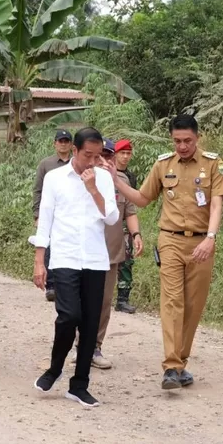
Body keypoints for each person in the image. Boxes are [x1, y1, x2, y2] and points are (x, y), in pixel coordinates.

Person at [108, 114, 223, 389]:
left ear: (197, 138)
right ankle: (172, 367)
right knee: (172, 302)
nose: (182, 146)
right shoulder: (163, 165)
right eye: (177, 141)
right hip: (170, 241)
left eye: (187, 141)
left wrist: (211, 238)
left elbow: (216, 204)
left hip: (202, 243)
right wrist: (116, 182)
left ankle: (181, 362)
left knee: (193, 306)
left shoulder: (213, 164)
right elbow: (143, 198)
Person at [32, 128, 119, 408]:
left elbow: (111, 217)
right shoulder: (55, 178)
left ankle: (79, 385)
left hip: (94, 259)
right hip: (65, 258)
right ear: (75, 151)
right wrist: (38, 260)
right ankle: (55, 368)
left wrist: (93, 188)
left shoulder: (104, 178)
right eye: (87, 155)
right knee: (69, 316)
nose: (93, 161)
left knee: (90, 324)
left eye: (97, 156)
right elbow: (45, 219)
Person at [71, 139, 143, 370]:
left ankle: (94, 347)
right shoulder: (76, 179)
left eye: (108, 156)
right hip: (80, 252)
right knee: (77, 302)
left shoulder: (120, 181)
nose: (103, 160)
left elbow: (129, 211)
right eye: (99, 155)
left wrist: (136, 234)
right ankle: (78, 344)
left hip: (110, 253)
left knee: (103, 303)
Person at [32, 129, 73, 302]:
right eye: (60, 141)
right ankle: (51, 286)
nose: (63, 144)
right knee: (48, 249)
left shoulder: (77, 164)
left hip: (70, 214)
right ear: (55, 144)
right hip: (50, 213)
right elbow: (38, 190)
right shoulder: (46, 164)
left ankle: (67, 285)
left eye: (66, 141)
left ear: (71, 145)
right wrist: (37, 215)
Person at [114, 139, 138, 314]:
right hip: (108, 224)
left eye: (128, 153)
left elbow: (131, 207)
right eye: (122, 153)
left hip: (124, 224)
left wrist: (135, 232)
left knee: (127, 260)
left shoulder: (130, 177)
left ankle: (123, 299)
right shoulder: (104, 174)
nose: (125, 156)